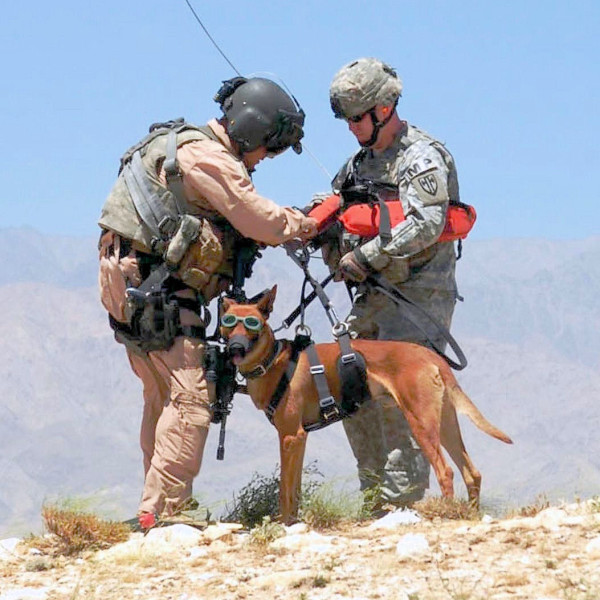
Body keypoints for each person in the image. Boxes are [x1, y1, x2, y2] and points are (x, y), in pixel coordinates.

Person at [97, 76, 317, 527]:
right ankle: (169, 512)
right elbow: (260, 219)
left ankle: (150, 511)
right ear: (253, 131)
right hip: (157, 287)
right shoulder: (211, 157)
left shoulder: (177, 143)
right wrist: (303, 224)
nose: (263, 160)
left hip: (130, 283)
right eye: (267, 150)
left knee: (161, 396)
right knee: (192, 399)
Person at [320, 57, 462, 510]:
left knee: (401, 394)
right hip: (374, 296)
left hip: (419, 295)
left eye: (357, 118)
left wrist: (366, 255)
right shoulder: (357, 166)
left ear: (384, 108)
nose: (351, 128)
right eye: (346, 120)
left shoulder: (421, 157)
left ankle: (404, 502)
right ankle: (376, 496)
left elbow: (426, 223)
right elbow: (340, 210)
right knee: (350, 379)